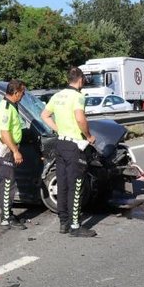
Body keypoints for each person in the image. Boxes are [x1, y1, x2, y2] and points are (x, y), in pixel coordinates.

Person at [41, 67, 97, 237]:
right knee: (76, 186)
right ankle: (75, 226)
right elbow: (80, 118)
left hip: (60, 144)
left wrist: (58, 129)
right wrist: (89, 136)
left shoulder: (57, 96)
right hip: (74, 147)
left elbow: (44, 115)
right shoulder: (78, 96)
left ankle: (63, 223)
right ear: (80, 79)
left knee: (63, 185)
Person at [0, 79, 28, 230]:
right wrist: (15, 151)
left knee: (8, 183)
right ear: (15, 92)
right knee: (8, 184)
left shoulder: (11, 106)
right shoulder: (6, 108)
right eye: (22, 93)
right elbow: (4, 133)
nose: (23, 96)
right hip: (6, 150)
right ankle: (6, 218)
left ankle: (8, 213)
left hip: (9, 148)